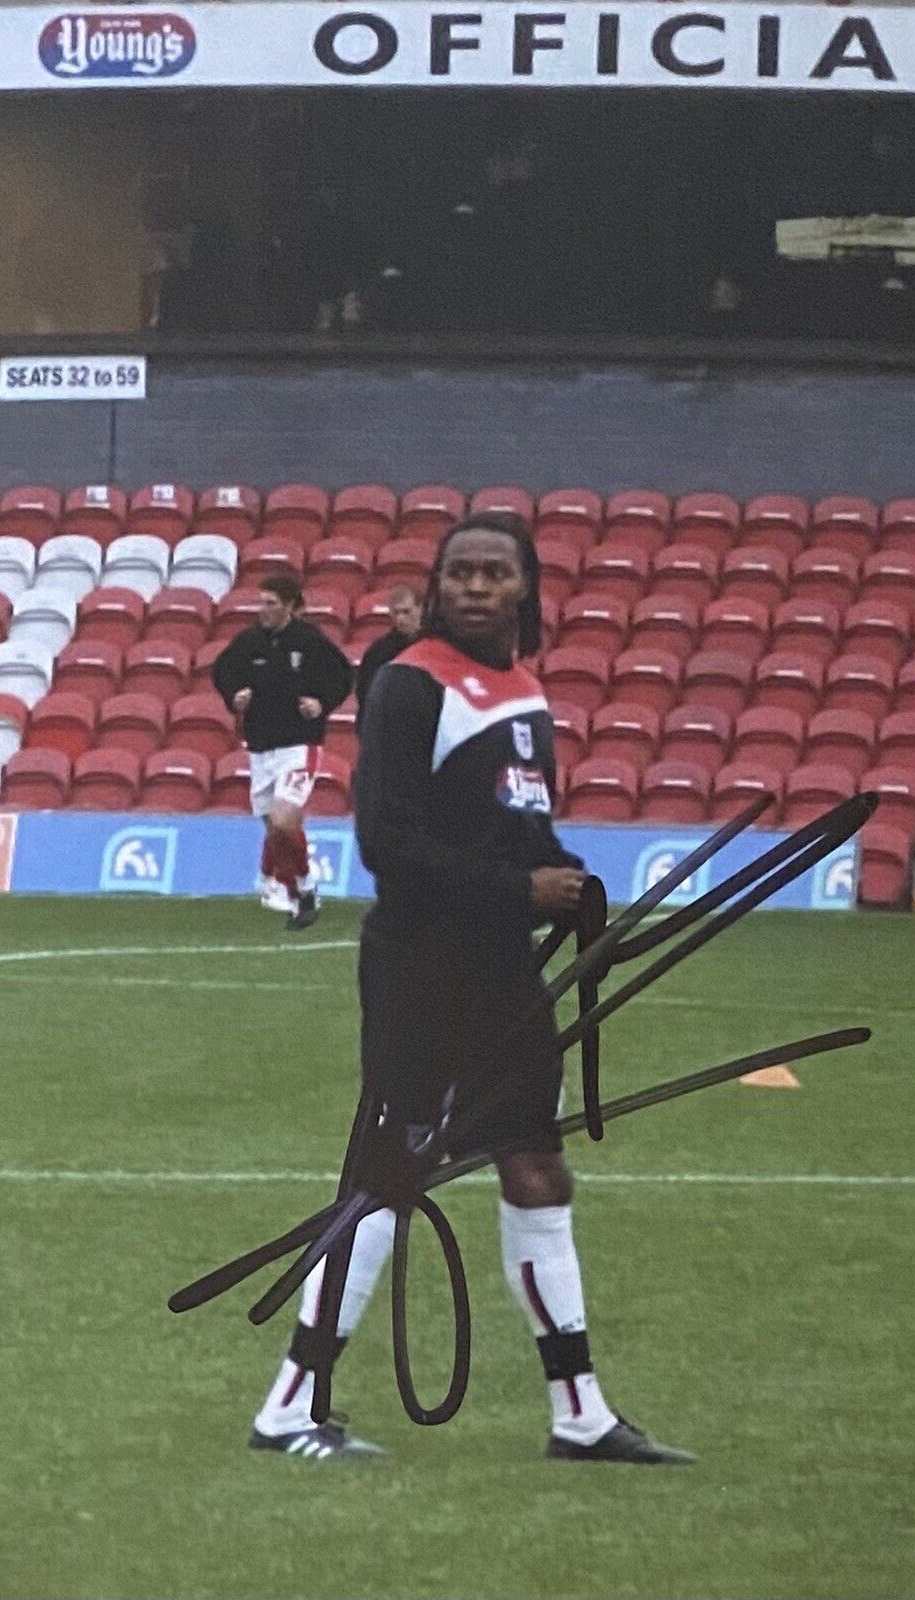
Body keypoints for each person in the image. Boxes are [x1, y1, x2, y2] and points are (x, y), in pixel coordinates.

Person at [250, 515, 695, 1464]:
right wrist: (517, 890)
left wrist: (573, 891)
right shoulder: (410, 684)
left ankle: (581, 1416)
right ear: (438, 582)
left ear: (527, 587)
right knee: (392, 1177)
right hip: (420, 964)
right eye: (460, 572)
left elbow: (521, 836)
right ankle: (290, 1406)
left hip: (501, 972)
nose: (476, 586)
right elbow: (388, 847)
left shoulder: (526, 693)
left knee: (537, 1169)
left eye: (495, 573)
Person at [211, 572, 352, 931]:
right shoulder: (249, 642)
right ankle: (296, 891)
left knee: (284, 819)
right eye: (262, 602)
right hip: (261, 749)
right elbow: (222, 671)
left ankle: (304, 887)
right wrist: (235, 696)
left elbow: (342, 677)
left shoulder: (309, 641)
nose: (265, 610)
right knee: (277, 832)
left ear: (290, 606)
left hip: (298, 745)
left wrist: (322, 703)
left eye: (272, 603)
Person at [354, 584, 423, 731]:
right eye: (396, 613)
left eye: (406, 612)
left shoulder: (438, 646)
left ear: (421, 609)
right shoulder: (378, 652)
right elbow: (366, 696)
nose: (400, 619)